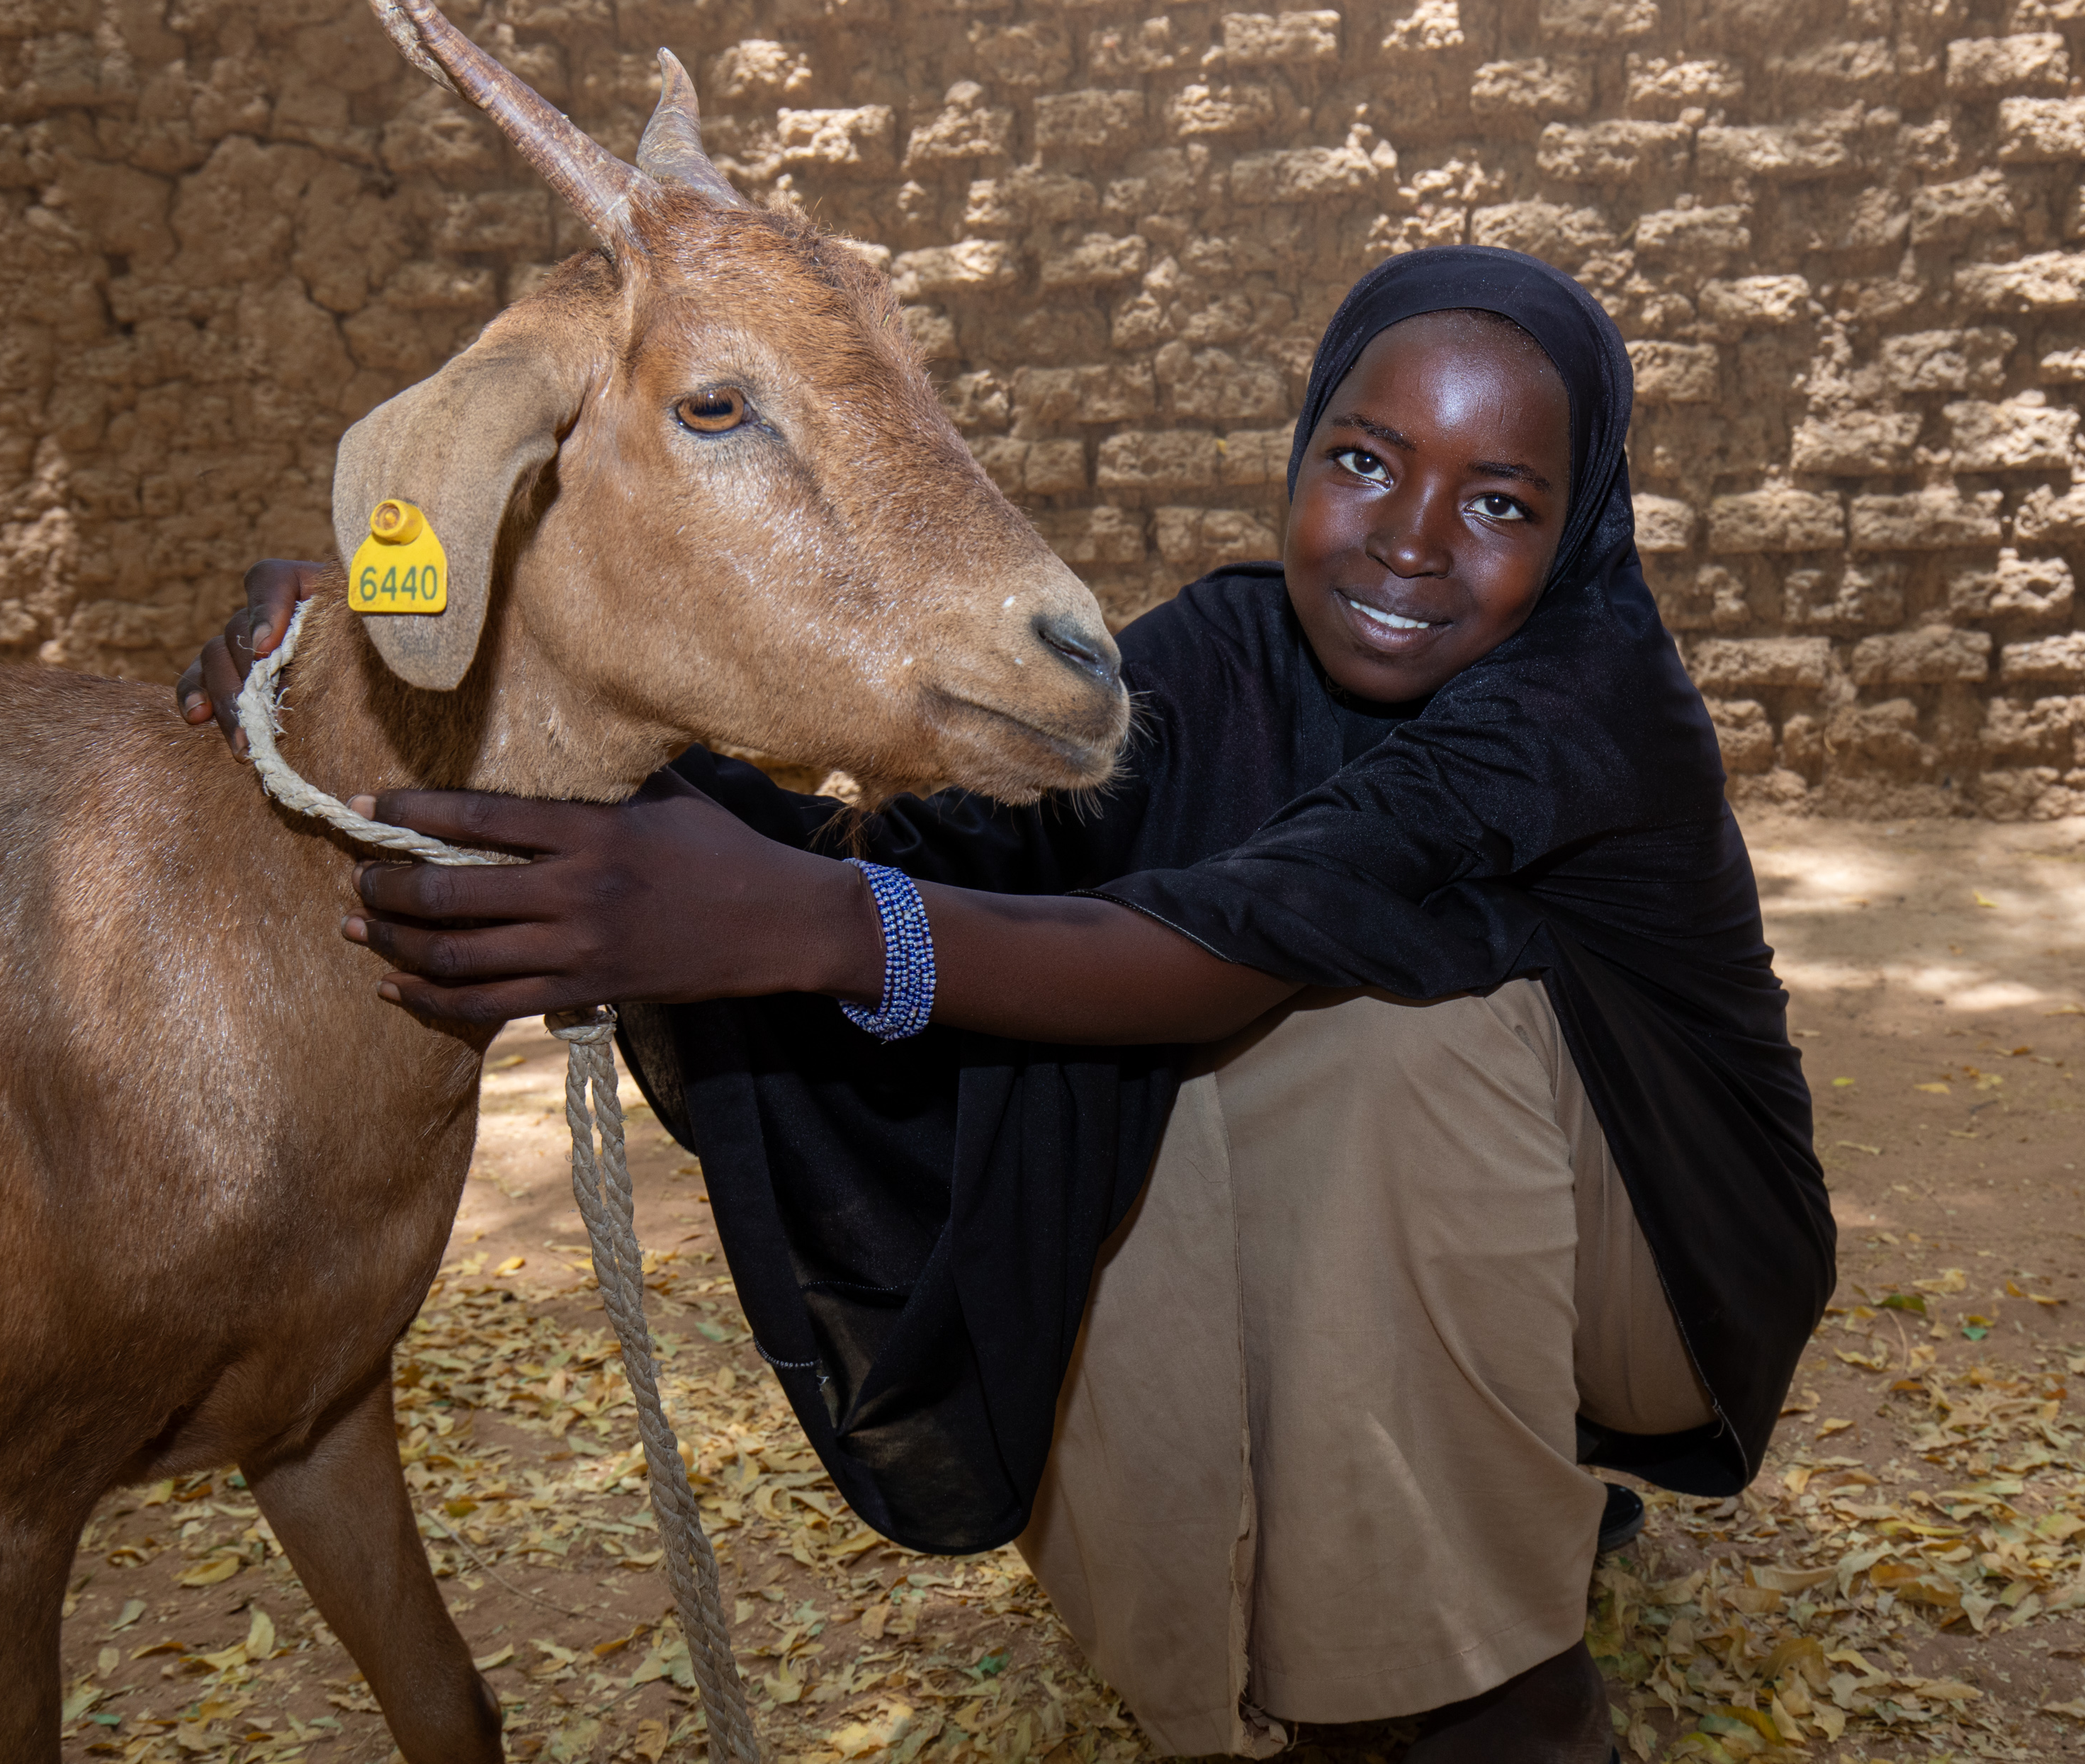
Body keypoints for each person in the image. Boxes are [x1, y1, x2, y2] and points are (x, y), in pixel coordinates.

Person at [186, 246, 1833, 1761]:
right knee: (1109, 1071)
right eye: (1362, 460)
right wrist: (378, 636)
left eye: (1499, 501)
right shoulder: (1236, 647)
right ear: (1302, 451)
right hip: (1461, 1237)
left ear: (1579, 529)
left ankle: (1504, 1705)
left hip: (1660, 1262)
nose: (1408, 534)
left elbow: (1227, 937)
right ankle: (1307, 1619)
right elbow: (944, 856)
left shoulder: (1574, 706)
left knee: (1356, 1038)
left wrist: (822, 927)